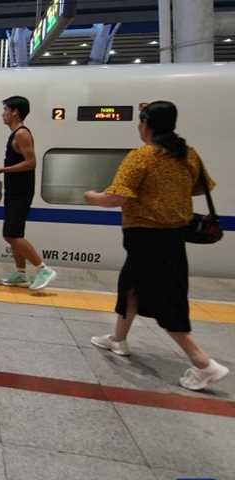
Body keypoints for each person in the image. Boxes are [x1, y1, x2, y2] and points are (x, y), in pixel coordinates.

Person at [84, 100, 229, 391]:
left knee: (165, 298)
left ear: (146, 124)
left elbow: (117, 198)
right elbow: (202, 187)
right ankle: (118, 339)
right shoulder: (188, 154)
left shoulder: (143, 157)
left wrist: (92, 196)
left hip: (147, 236)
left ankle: (203, 364)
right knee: (130, 286)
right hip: (175, 234)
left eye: (140, 122)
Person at [0, 96, 56, 290]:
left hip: (20, 191)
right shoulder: (15, 134)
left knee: (11, 235)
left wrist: (3, 170)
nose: (3, 113)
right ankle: (21, 274)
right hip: (14, 190)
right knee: (15, 232)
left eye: (6, 110)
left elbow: (31, 162)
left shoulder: (22, 134)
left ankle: (43, 269)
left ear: (15, 112)